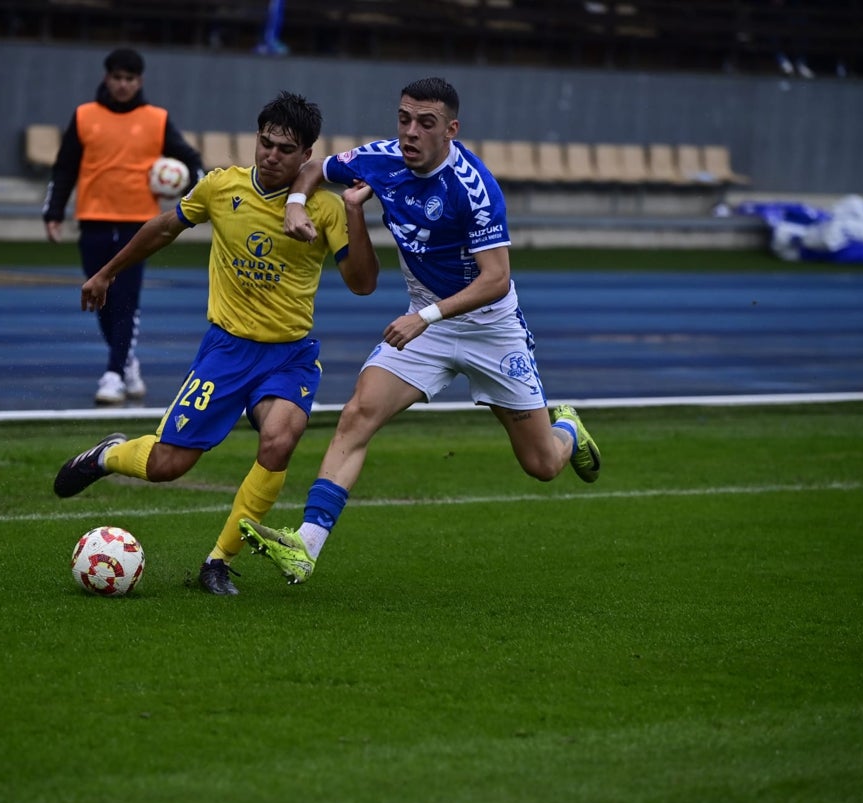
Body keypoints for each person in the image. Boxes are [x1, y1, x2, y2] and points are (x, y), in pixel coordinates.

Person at [238, 77, 601, 585]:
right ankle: (306, 546)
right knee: (357, 415)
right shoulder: (383, 158)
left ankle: (566, 427)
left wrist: (424, 317)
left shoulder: (474, 187)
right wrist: (296, 203)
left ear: (450, 130)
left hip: (488, 328)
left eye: (425, 123)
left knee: (542, 464)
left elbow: (496, 280)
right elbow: (316, 167)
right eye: (404, 118)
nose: (409, 132)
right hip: (426, 323)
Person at [51, 91, 379, 595]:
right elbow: (164, 228)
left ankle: (217, 562)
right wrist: (107, 274)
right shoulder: (220, 188)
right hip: (226, 352)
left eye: (285, 149)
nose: (271, 155)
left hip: (289, 356)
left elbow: (362, 283)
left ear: (307, 155)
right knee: (167, 466)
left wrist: (355, 212)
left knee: (280, 439)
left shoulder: (325, 208)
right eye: (265, 143)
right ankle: (108, 455)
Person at [42, 47, 205, 405]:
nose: (122, 85)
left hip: (138, 225)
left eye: (129, 79)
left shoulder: (156, 119)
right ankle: (127, 363)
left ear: (139, 81)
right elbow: (65, 167)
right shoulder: (85, 116)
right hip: (94, 218)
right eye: (116, 78)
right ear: (107, 78)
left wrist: (195, 195)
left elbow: (193, 162)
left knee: (126, 300)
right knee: (99, 296)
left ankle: (114, 373)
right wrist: (53, 211)